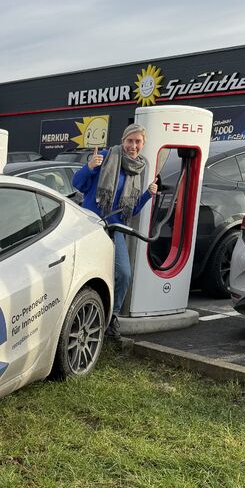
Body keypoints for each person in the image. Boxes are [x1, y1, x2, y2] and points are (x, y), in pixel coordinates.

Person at [72, 124, 158, 342]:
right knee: (84, 272)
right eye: (130, 141)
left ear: (143, 144)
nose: (133, 146)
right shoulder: (105, 157)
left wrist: (148, 194)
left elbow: (131, 209)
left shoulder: (137, 169)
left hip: (115, 228)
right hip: (92, 225)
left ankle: (112, 318)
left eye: (138, 142)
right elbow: (77, 184)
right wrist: (89, 167)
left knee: (123, 273)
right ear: (123, 140)